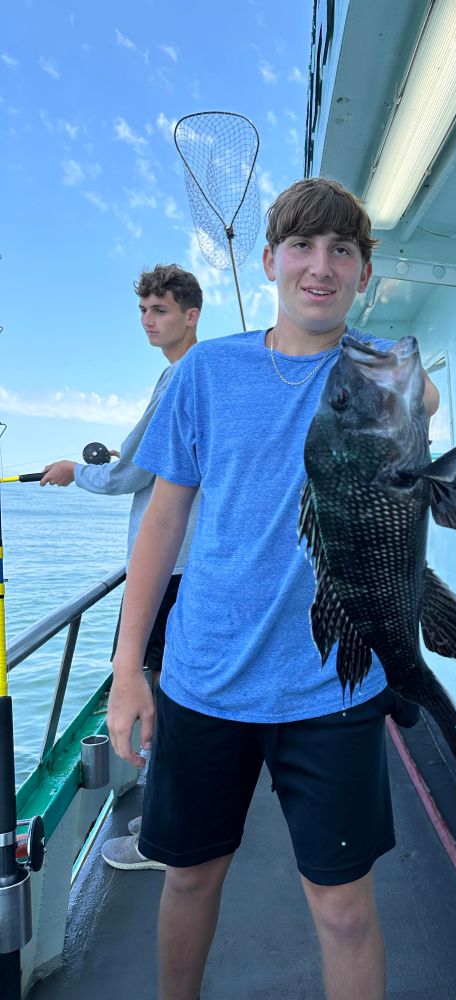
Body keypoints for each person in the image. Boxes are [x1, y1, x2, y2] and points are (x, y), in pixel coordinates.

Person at [106, 178, 438, 1000]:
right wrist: (125, 670)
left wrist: (410, 396)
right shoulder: (206, 373)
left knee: (346, 911)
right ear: (269, 261)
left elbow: (423, 396)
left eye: (342, 252)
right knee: (186, 878)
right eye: (302, 247)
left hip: (334, 681)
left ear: (365, 272)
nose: (320, 267)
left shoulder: (378, 374)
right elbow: (162, 524)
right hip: (204, 676)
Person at [41, 264, 202, 871]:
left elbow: (133, 470)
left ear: (190, 316)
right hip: (185, 570)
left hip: (171, 571)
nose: (147, 321)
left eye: (159, 310)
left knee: (158, 694)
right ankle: (169, 814)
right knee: (169, 693)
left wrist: (73, 471)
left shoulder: (179, 379)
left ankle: (162, 835)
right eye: (143, 311)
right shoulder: (184, 376)